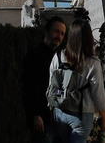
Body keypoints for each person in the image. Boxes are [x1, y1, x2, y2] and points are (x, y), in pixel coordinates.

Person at [46, 17, 105, 143]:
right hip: (82, 115)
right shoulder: (93, 62)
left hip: (60, 111)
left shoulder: (59, 56)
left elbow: (52, 85)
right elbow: (98, 94)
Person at [24, 14, 67, 142]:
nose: (59, 36)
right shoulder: (35, 56)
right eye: (56, 31)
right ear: (46, 31)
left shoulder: (59, 58)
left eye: (62, 34)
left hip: (56, 119)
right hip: (42, 119)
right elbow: (31, 86)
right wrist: (36, 114)